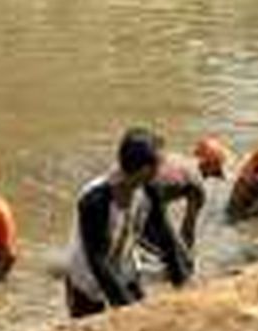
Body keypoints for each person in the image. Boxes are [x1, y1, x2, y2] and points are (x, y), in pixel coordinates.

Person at [62, 127, 190, 319]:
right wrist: (127, 310)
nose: (162, 169)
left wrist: (181, 280)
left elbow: (164, 232)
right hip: (86, 279)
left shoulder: (149, 189)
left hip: (125, 268)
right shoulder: (95, 201)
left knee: (141, 322)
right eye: (159, 164)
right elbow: (98, 261)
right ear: (145, 170)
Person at [156, 136, 230, 253]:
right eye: (215, 172)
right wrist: (188, 257)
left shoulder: (175, 157)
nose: (212, 177)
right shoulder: (197, 184)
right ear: (210, 165)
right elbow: (188, 230)